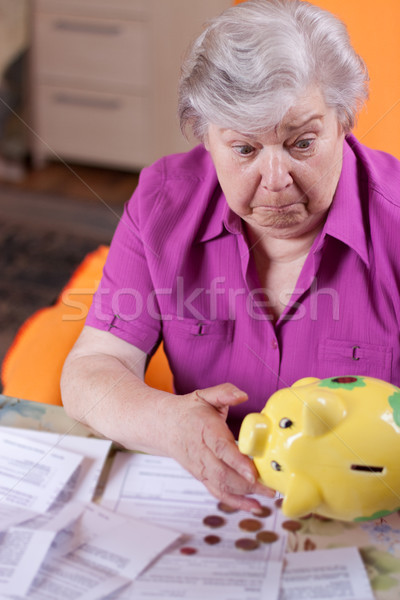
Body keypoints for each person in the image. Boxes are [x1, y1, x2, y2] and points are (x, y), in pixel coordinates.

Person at [61, 0, 400, 513]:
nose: (276, 180)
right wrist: (168, 422)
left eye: (301, 143)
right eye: (244, 149)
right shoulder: (163, 204)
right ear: (206, 135)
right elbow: (93, 369)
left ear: (344, 122)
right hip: (211, 513)